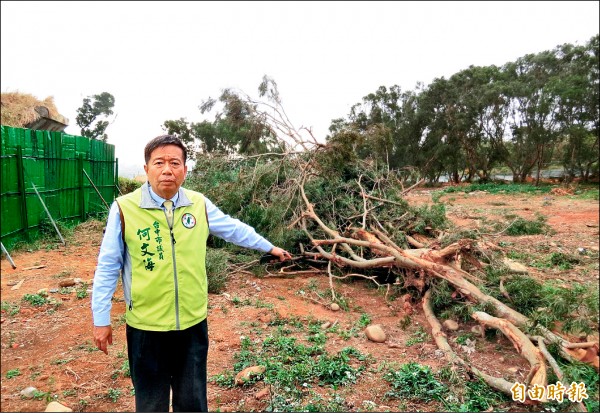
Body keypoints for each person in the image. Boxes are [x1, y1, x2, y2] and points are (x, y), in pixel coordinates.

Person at [91, 134, 291, 412]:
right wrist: (101, 318)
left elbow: (233, 228)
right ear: (146, 168)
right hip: (146, 327)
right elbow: (108, 265)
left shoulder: (198, 204)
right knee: (150, 404)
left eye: (175, 162)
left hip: (192, 324)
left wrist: (269, 247)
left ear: (185, 170)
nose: (167, 169)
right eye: (159, 162)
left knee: (193, 401)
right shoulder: (125, 208)